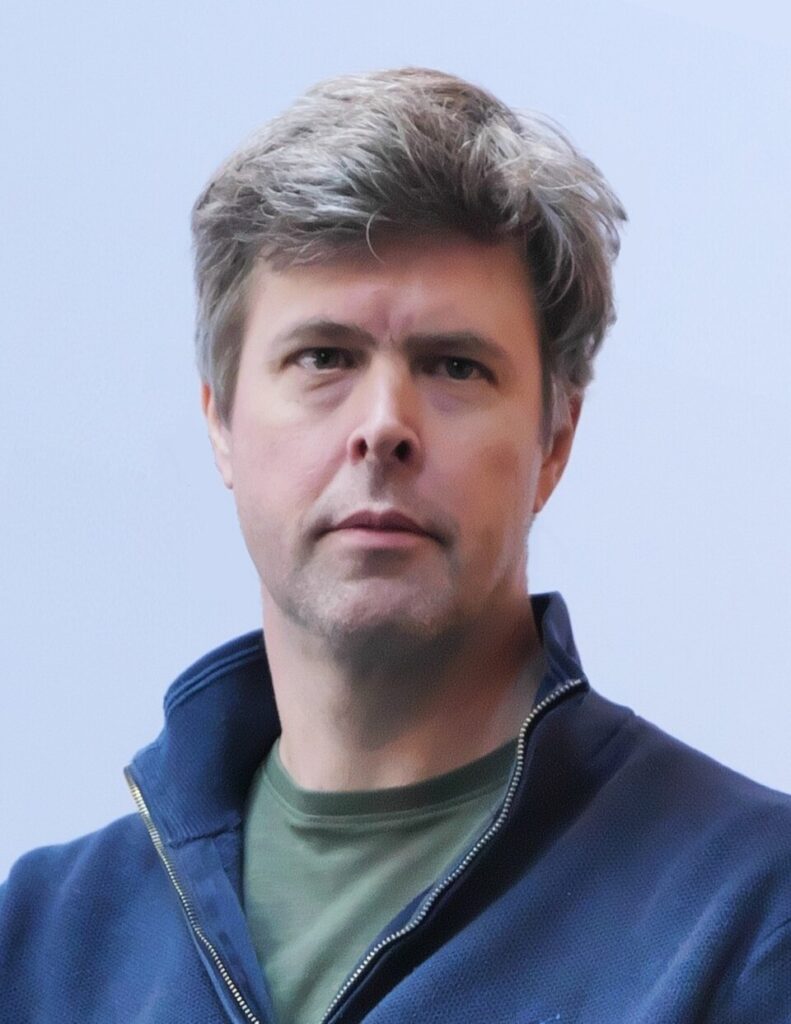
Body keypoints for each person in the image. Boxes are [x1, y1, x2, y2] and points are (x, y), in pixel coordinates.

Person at [1, 67, 789, 1024]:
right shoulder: (40, 945)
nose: (383, 426)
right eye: (323, 357)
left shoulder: (749, 914)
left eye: (454, 366)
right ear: (220, 424)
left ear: (554, 440)